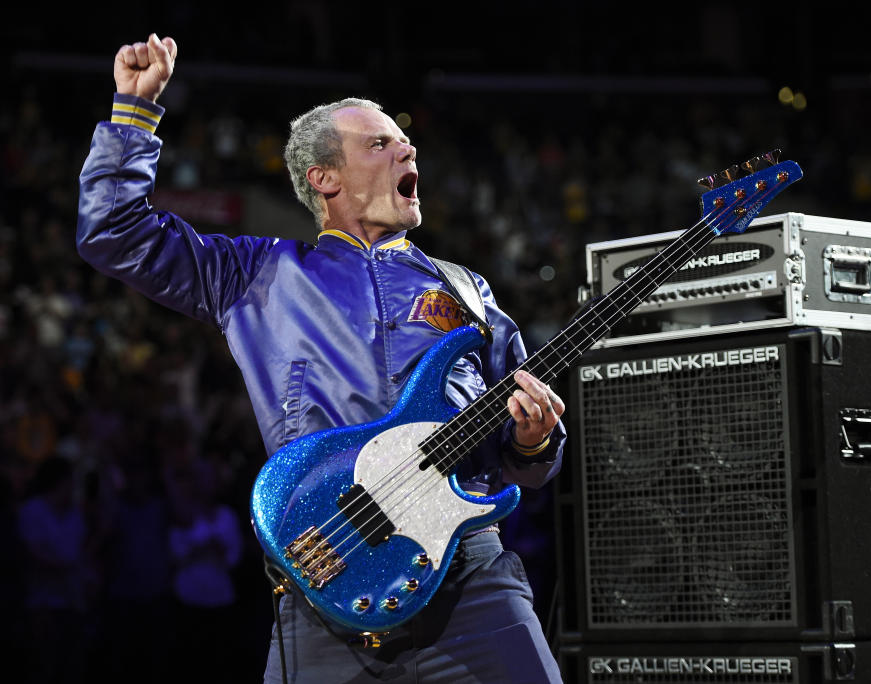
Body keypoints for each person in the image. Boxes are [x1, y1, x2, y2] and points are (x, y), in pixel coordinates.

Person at [78, 33, 566, 683]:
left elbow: (525, 456)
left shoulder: (467, 289)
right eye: (381, 143)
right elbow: (112, 233)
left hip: (472, 582)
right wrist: (134, 115)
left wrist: (535, 441)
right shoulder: (258, 274)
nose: (407, 148)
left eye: (406, 141)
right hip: (330, 576)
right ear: (324, 177)